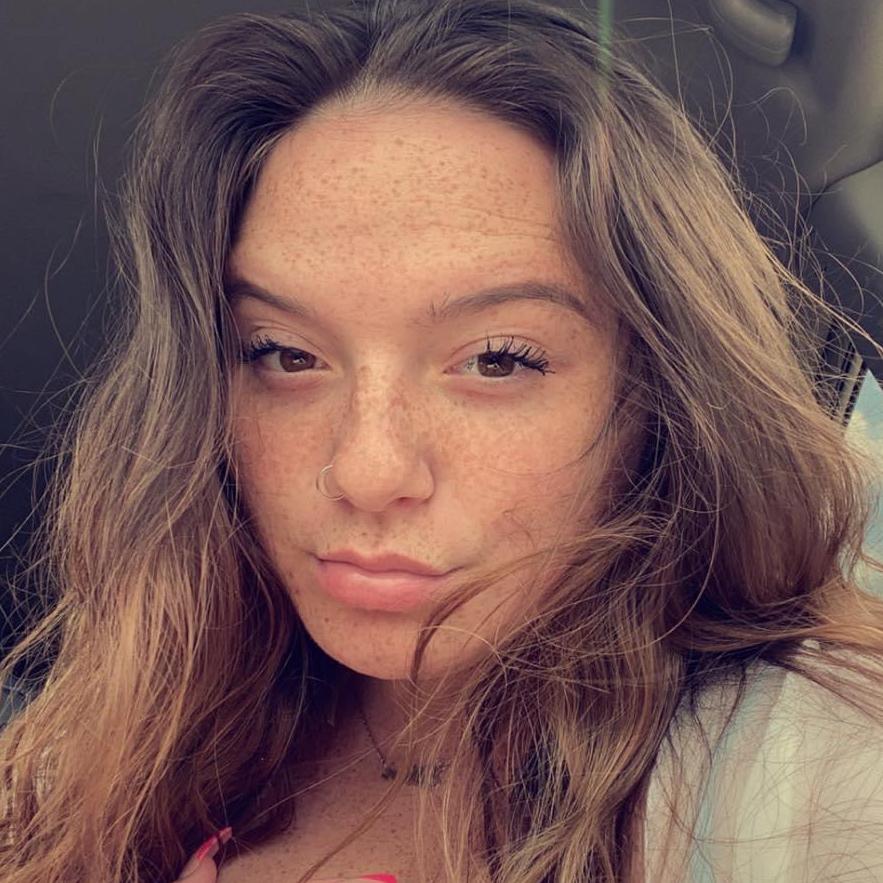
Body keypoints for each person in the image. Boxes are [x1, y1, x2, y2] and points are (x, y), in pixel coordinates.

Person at [1, 0, 882, 881]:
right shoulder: (113, 726)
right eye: (284, 353)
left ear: (656, 394)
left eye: (497, 359)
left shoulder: (799, 769)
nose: (365, 470)